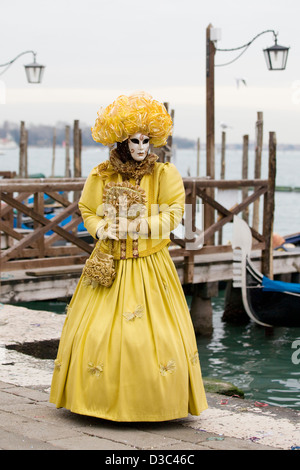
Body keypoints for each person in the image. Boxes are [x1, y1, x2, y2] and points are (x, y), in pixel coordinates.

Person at [50, 92, 208, 421]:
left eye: (146, 140)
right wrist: (100, 229)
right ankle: (95, 401)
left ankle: (155, 404)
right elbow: (87, 209)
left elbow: (175, 215)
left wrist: (136, 226)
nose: (140, 148)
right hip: (108, 266)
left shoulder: (165, 175)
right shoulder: (102, 175)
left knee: (156, 337)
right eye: (133, 141)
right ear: (121, 142)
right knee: (97, 334)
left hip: (151, 267)